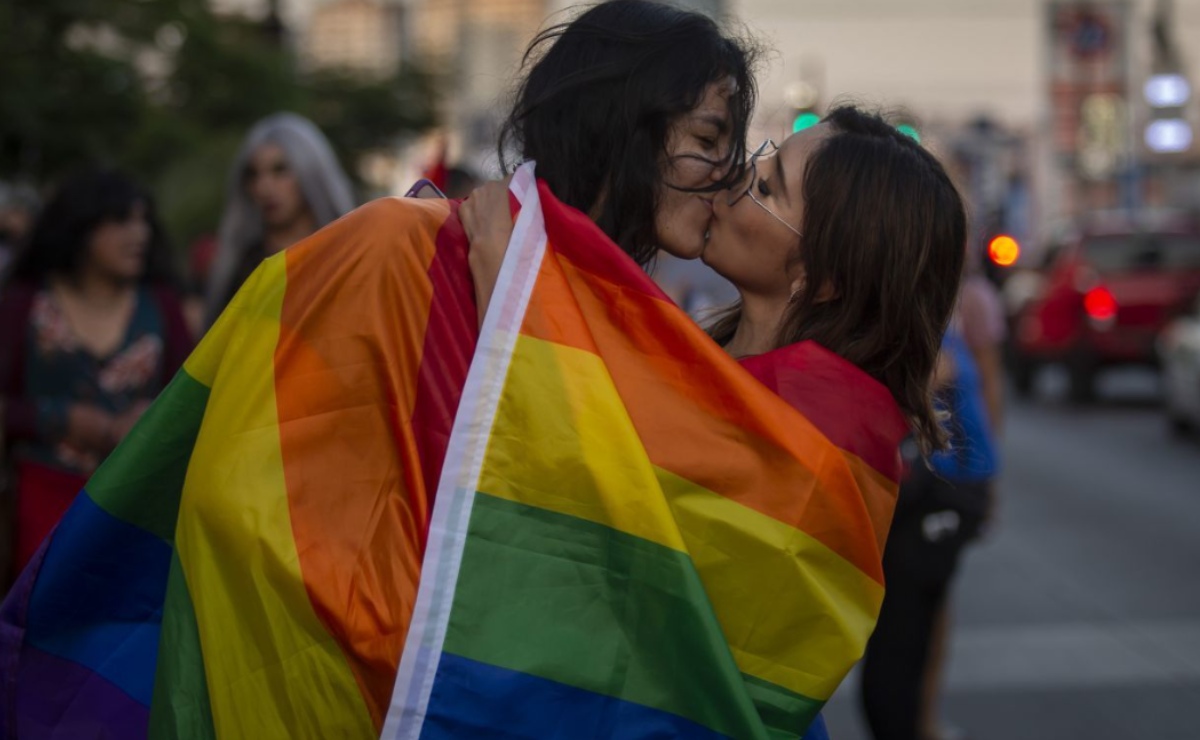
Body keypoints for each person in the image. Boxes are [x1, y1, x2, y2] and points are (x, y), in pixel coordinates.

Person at [461, 105, 967, 737]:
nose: (732, 178)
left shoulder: (812, 438)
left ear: (820, 276)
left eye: (766, 185)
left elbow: (586, 526)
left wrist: (505, 304)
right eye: (759, 158)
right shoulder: (712, 371)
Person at [0, 169, 193, 577]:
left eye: (143, 220)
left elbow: (194, 401)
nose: (138, 233)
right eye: (121, 220)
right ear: (82, 226)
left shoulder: (162, 306)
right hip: (39, 505)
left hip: (136, 509)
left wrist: (153, 418)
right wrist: (61, 418)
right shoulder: (25, 305)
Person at [204, 112, 355, 325]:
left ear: (310, 172)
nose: (264, 188)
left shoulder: (347, 258)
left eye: (280, 170)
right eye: (253, 174)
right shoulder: (240, 269)